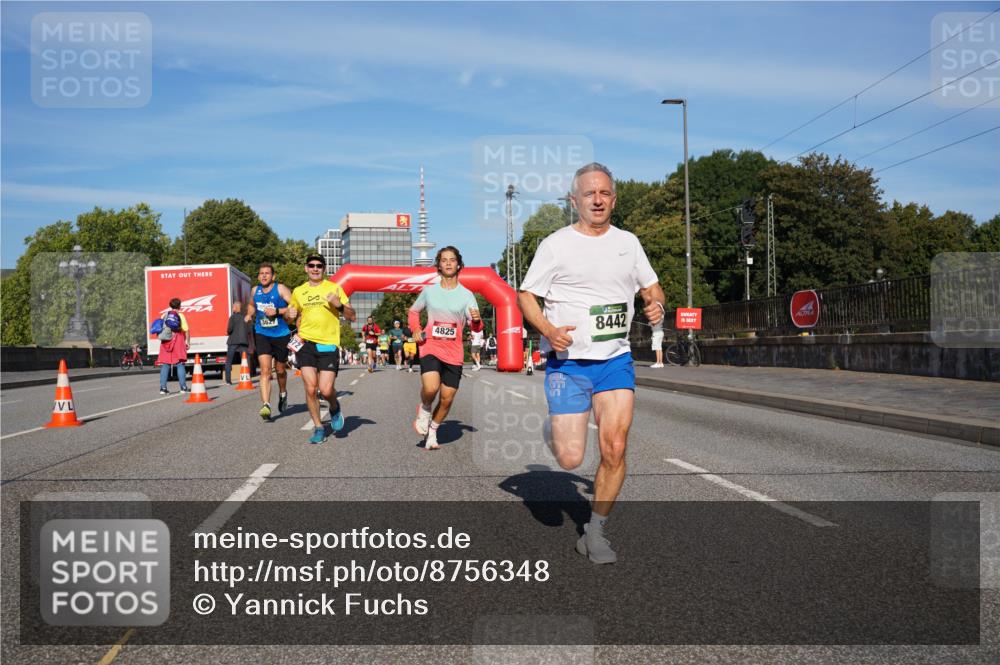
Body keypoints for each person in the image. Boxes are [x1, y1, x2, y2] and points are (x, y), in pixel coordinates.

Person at [518, 162, 665, 564]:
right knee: (570, 459)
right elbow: (526, 296)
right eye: (589, 194)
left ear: (613, 199)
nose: (597, 200)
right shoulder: (556, 245)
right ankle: (556, 429)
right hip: (568, 363)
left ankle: (595, 531)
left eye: (604, 193)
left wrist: (656, 306)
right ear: (574, 201)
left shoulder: (628, 243)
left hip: (615, 359)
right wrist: (548, 329)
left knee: (615, 447)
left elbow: (652, 288)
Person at [409, 246, 482, 450]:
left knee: (447, 399)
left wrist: (477, 321)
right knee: (431, 388)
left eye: (452, 260)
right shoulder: (429, 291)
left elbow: (476, 324)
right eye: (444, 260)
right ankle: (424, 408)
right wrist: (415, 328)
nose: (448, 263)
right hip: (430, 346)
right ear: (438, 265)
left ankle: (433, 431)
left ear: (459, 264)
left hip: (454, 352)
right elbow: (414, 312)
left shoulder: (467, 295)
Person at [286, 254, 356, 444]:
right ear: (306, 268)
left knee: (325, 390)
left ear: (324, 269)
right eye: (311, 265)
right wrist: (288, 315)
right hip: (306, 344)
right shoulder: (299, 291)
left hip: (328, 343)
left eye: (319, 266)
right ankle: (318, 427)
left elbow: (352, 316)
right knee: (310, 389)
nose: (315, 268)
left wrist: (339, 305)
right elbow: (289, 318)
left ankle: (334, 407)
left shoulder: (334, 288)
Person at [247, 263, 294, 420]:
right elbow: (252, 305)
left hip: (281, 334)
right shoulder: (255, 290)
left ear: (273, 276)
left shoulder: (280, 289)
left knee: (280, 369)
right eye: (261, 273)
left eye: (267, 273)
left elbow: (294, 307)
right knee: (265, 370)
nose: (264, 275)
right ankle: (266, 405)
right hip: (262, 333)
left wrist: (278, 311)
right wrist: (249, 314)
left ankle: (282, 392)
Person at [156, 297, 190, 395]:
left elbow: (160, 328)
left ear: (170, 305)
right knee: (179, 363)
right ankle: (183, 387)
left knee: (165, 364)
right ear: (179, 306)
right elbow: (186, 330)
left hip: (166, 341)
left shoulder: (164, 315)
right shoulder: (180, 315)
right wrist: (188, 342)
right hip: (178, 339)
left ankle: (163, 388)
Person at [225, 301, 251, 385]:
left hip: (233, 341)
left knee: (229, 361)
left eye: (233, 307)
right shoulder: (245, 317)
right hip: (243, 341)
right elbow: (249, 330)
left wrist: (228, 333)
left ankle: (228, 380)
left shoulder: (232, 317)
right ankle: (246, 377)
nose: (232, 309)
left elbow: (229, 329)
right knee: (245, 361)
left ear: (236, 308)